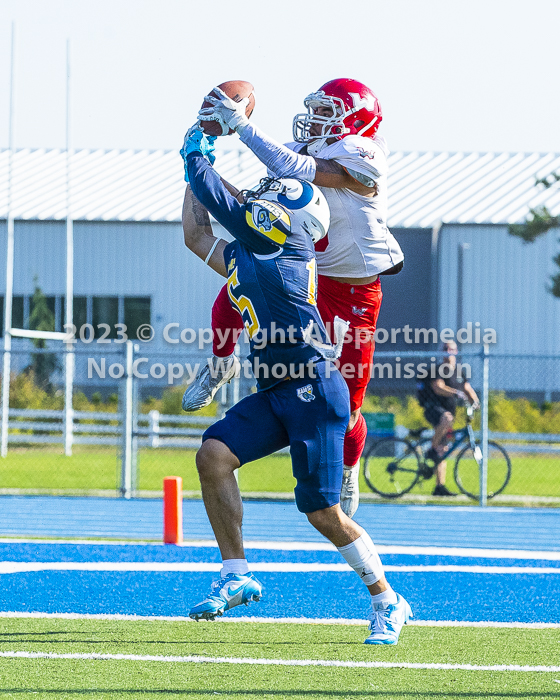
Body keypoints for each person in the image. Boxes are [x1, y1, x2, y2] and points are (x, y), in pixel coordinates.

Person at [180, 126, 412, 645]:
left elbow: (224, 202)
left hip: (315, 389)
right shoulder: (255, 252)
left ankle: (387, 600)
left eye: (269, 201)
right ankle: (235, 574)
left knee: (322, 513)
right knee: (213, 454)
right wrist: (191, 171)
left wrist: (198, 151)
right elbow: (198, 236)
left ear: (290, 219)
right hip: (278, 391)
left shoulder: (284, 254)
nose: (259, 199)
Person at [182, 78, 404, 519]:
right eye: (316, 109)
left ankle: (349, 464)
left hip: (354, 288)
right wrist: (201, 166)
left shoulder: (366, 153)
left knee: (351, 402)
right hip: (305, 272)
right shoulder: (289, 148)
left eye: (327, 111)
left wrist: (243, 129)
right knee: (231, 295)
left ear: (355, 118)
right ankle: (221, 362)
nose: (315, 119)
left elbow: (307, 172)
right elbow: (256, 204)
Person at [416, 341, 479, 496]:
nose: (448, 352)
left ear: (456, 351)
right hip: (433, 410)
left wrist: (476, 403)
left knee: (443, 450)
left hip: (448, 413)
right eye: (445, 349)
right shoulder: (438, 369)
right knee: (447, 418)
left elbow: (467, 389)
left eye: (451, 349)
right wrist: (456, 393)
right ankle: (431, 449)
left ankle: (439, 487)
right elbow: (438, 387)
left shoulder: (459, 372)